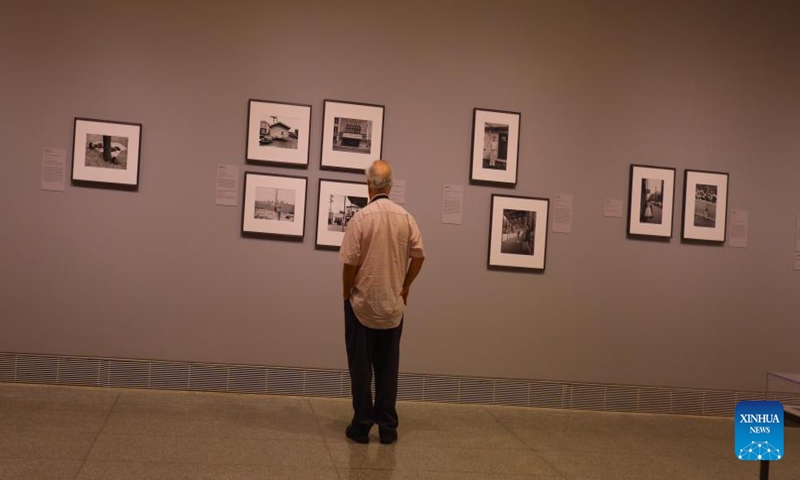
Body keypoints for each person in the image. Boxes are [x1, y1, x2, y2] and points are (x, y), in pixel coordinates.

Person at [339, 159, 425, 445]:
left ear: (368, 185)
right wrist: (405, 286)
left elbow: (349, 263)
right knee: (388, 369)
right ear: (390, 185)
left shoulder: (361, 219)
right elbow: (419, 255)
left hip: (362, 306)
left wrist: (346, 292)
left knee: (361, 370)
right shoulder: (405, 217)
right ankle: (387, 428)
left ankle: (362, 426)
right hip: (392, 307)